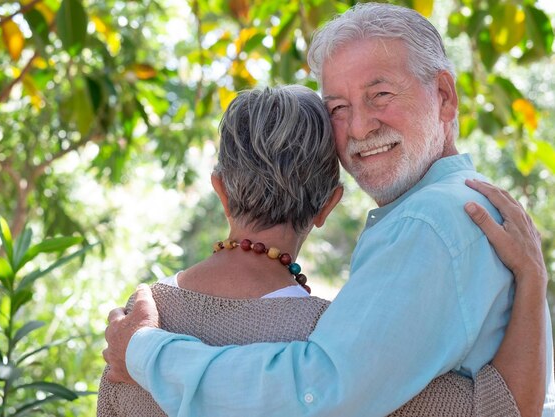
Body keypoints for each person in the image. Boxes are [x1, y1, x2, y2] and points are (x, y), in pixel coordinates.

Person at [103, 3, 555, 416]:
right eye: (338, 107)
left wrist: (145, 352)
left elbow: (316, 395)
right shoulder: (456, 212)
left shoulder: (429, 221)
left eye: (380, 95)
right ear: (327, 204)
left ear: (444, 95)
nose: (359, 126)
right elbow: (494, 405)